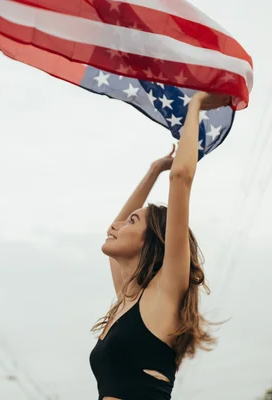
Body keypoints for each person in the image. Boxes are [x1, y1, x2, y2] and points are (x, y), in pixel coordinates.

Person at [89, 91, 233, 400]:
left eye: (132, 222)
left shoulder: (165, 291)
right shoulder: (129, 297)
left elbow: (181, 177)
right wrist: (154, 170)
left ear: (154, 241)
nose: (117, 226)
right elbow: (111, 231)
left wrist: (195, 105)